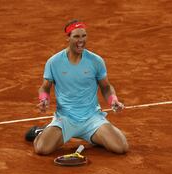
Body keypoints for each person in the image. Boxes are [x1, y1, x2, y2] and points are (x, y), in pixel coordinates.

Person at [25, 19, 129, 155]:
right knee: (41, 149)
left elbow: (106, 87)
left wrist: (113, 100)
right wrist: (44, 99)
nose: (81, 40)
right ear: (68, 38)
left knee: (121, 147)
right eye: (76, 36)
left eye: (84, 36)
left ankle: (94, 136)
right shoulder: (54, 62)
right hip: (66, 119)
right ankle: (42, 131)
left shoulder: (96, 61)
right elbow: (45, 87)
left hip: (92, 119)